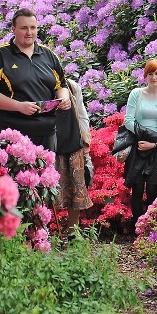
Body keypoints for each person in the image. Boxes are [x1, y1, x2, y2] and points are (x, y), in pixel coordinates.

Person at [0, 8, 70, 152]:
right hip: (12, 132)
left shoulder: (48, 54)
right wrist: (19, 106)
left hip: (47, 132)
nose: (29, 32)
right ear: (13, 29)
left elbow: (61, 85)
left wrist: (64, 98)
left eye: (33, 28)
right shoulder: (0, 55)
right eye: (24, 28)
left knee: (46, 174)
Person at [123, 59, 157, 225]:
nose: (154, 77)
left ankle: (150, 227)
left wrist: (154, 142)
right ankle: (137, 225)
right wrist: (144, 137)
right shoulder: (136, 94)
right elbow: (128, 120)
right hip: (138, 146)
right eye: (150, 74)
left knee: (153, 189)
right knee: (137, 188)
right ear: (145, 76)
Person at [56, 78, 93, 233]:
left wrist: (86, 142)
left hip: (72, 143)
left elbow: (82, 114)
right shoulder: (38, 84)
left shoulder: (71, 86)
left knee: (76, 191)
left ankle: (73, 233)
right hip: (50, 146)